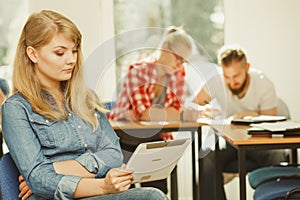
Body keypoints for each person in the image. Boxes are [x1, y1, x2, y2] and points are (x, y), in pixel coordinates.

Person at [1, 10, 168, 200]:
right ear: (33, 54)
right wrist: (102, 185)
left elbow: (114, 155)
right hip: (56, 197)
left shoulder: (87, 98)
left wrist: (55, 168)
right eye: (60, 52)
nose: (71, 59)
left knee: (153, 195)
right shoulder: (15, 109)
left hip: (93, 193)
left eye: (74, 51)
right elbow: (39, 180)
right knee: (152, 197)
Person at [108, 26, 196, 194]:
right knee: (128, 191)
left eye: (183, 61)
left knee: (159, 189)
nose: (179, 65)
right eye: (178, 58)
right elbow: (146, 114)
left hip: (156, 136)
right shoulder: (138, 70)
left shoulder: (179, 75)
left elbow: (174, 116)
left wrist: (158, 113)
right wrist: (169, 113)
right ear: (164, 49)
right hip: (124, 139)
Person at [193, 45, 288, 200]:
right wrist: (203, 110)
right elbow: (192, 105)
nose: (231, 82)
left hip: (258, 140)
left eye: (236, 76)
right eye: (227, 76)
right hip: (230, 141)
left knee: (276, 155)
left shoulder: (263, 83)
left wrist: (248, 116)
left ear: (247, 67)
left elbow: (272, 122)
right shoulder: (216, 80)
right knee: (206, 155)